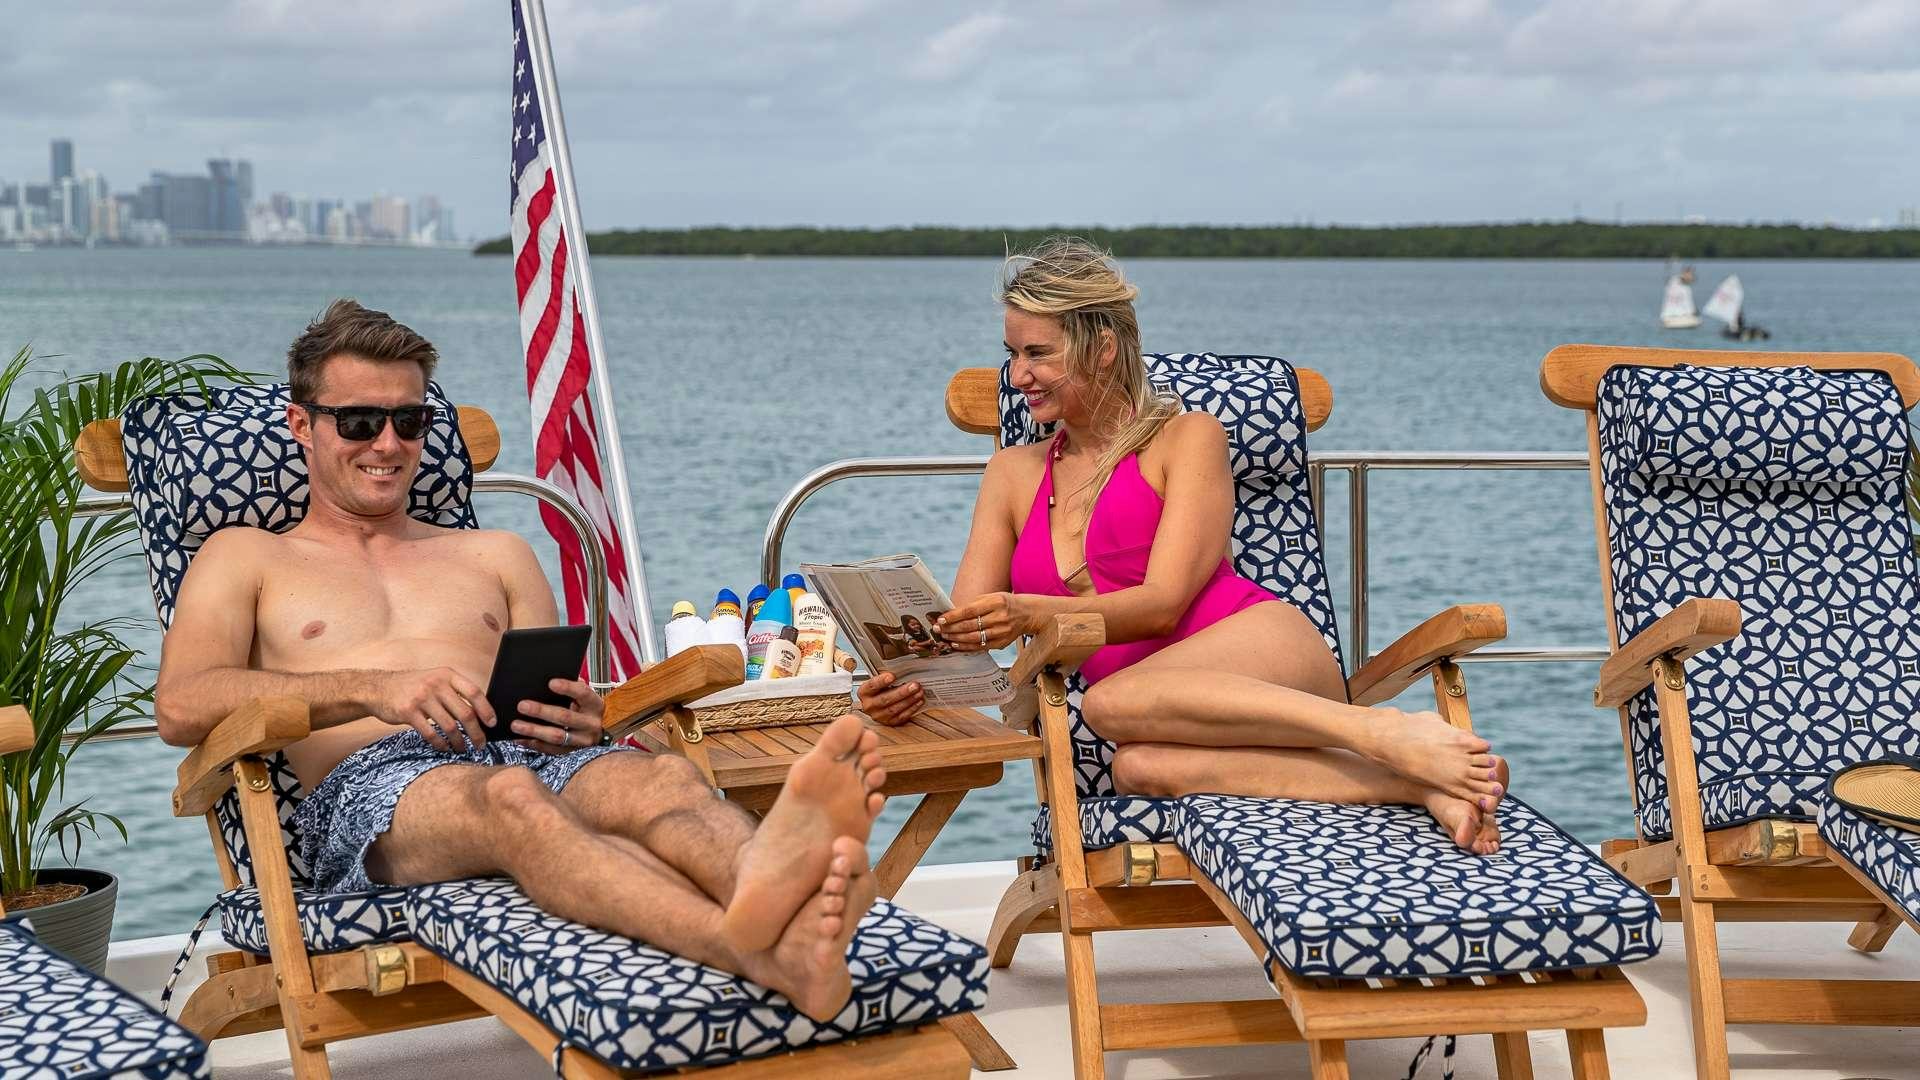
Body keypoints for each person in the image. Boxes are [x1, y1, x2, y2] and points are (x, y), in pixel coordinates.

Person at [154, 299, 883, 1020]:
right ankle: (751, 947)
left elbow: (560, 699)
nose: (387, 444)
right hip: (372, 793)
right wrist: (373, 689)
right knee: (511, 802)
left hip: (527, 754)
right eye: (358, 422)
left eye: (409, 422)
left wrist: (582, 717)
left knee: (661, 778)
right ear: (301, 426)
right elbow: (182, 705)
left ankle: (782, 894)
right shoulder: (248, 557)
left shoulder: (495, 555)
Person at [860, 239, 1506, 853]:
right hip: (1151, 721)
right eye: (1012, 353)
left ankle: (1389, 730)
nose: (1019, 374)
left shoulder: (1187, 438)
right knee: (1138, 770)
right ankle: (1423, 784)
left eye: (1038, 353)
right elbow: (970, 626)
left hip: (1259, 653)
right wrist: (912, 680)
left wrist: (1032, 614)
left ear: (1103, 348)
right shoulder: (1012, 471)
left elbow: (1164, 604)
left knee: (1110, 705)